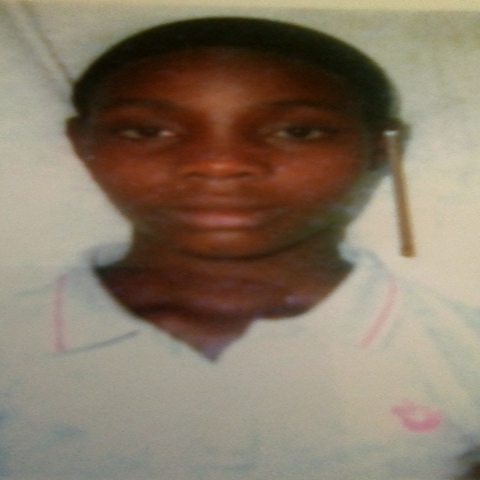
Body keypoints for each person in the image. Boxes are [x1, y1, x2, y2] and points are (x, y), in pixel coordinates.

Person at [1, 16, 480, 480]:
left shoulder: (460, 349)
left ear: (381, 149)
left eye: (296, 131)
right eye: (147, 131)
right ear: (82, 143)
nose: (219, 164)